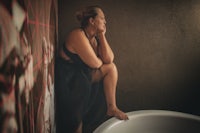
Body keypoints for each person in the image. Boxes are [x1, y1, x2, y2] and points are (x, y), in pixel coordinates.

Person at [55, 5, 128, 133]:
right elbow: (95, 63)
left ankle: (112, 107)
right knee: (76, 123)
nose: (105, 22)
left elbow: (109, 59)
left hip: (82, 78)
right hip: (69, 81)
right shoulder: (77, 34)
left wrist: (102, 36)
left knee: (111, 68)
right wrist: (99, 60)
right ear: (92, 21)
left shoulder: (94, 39)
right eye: (102, 18)